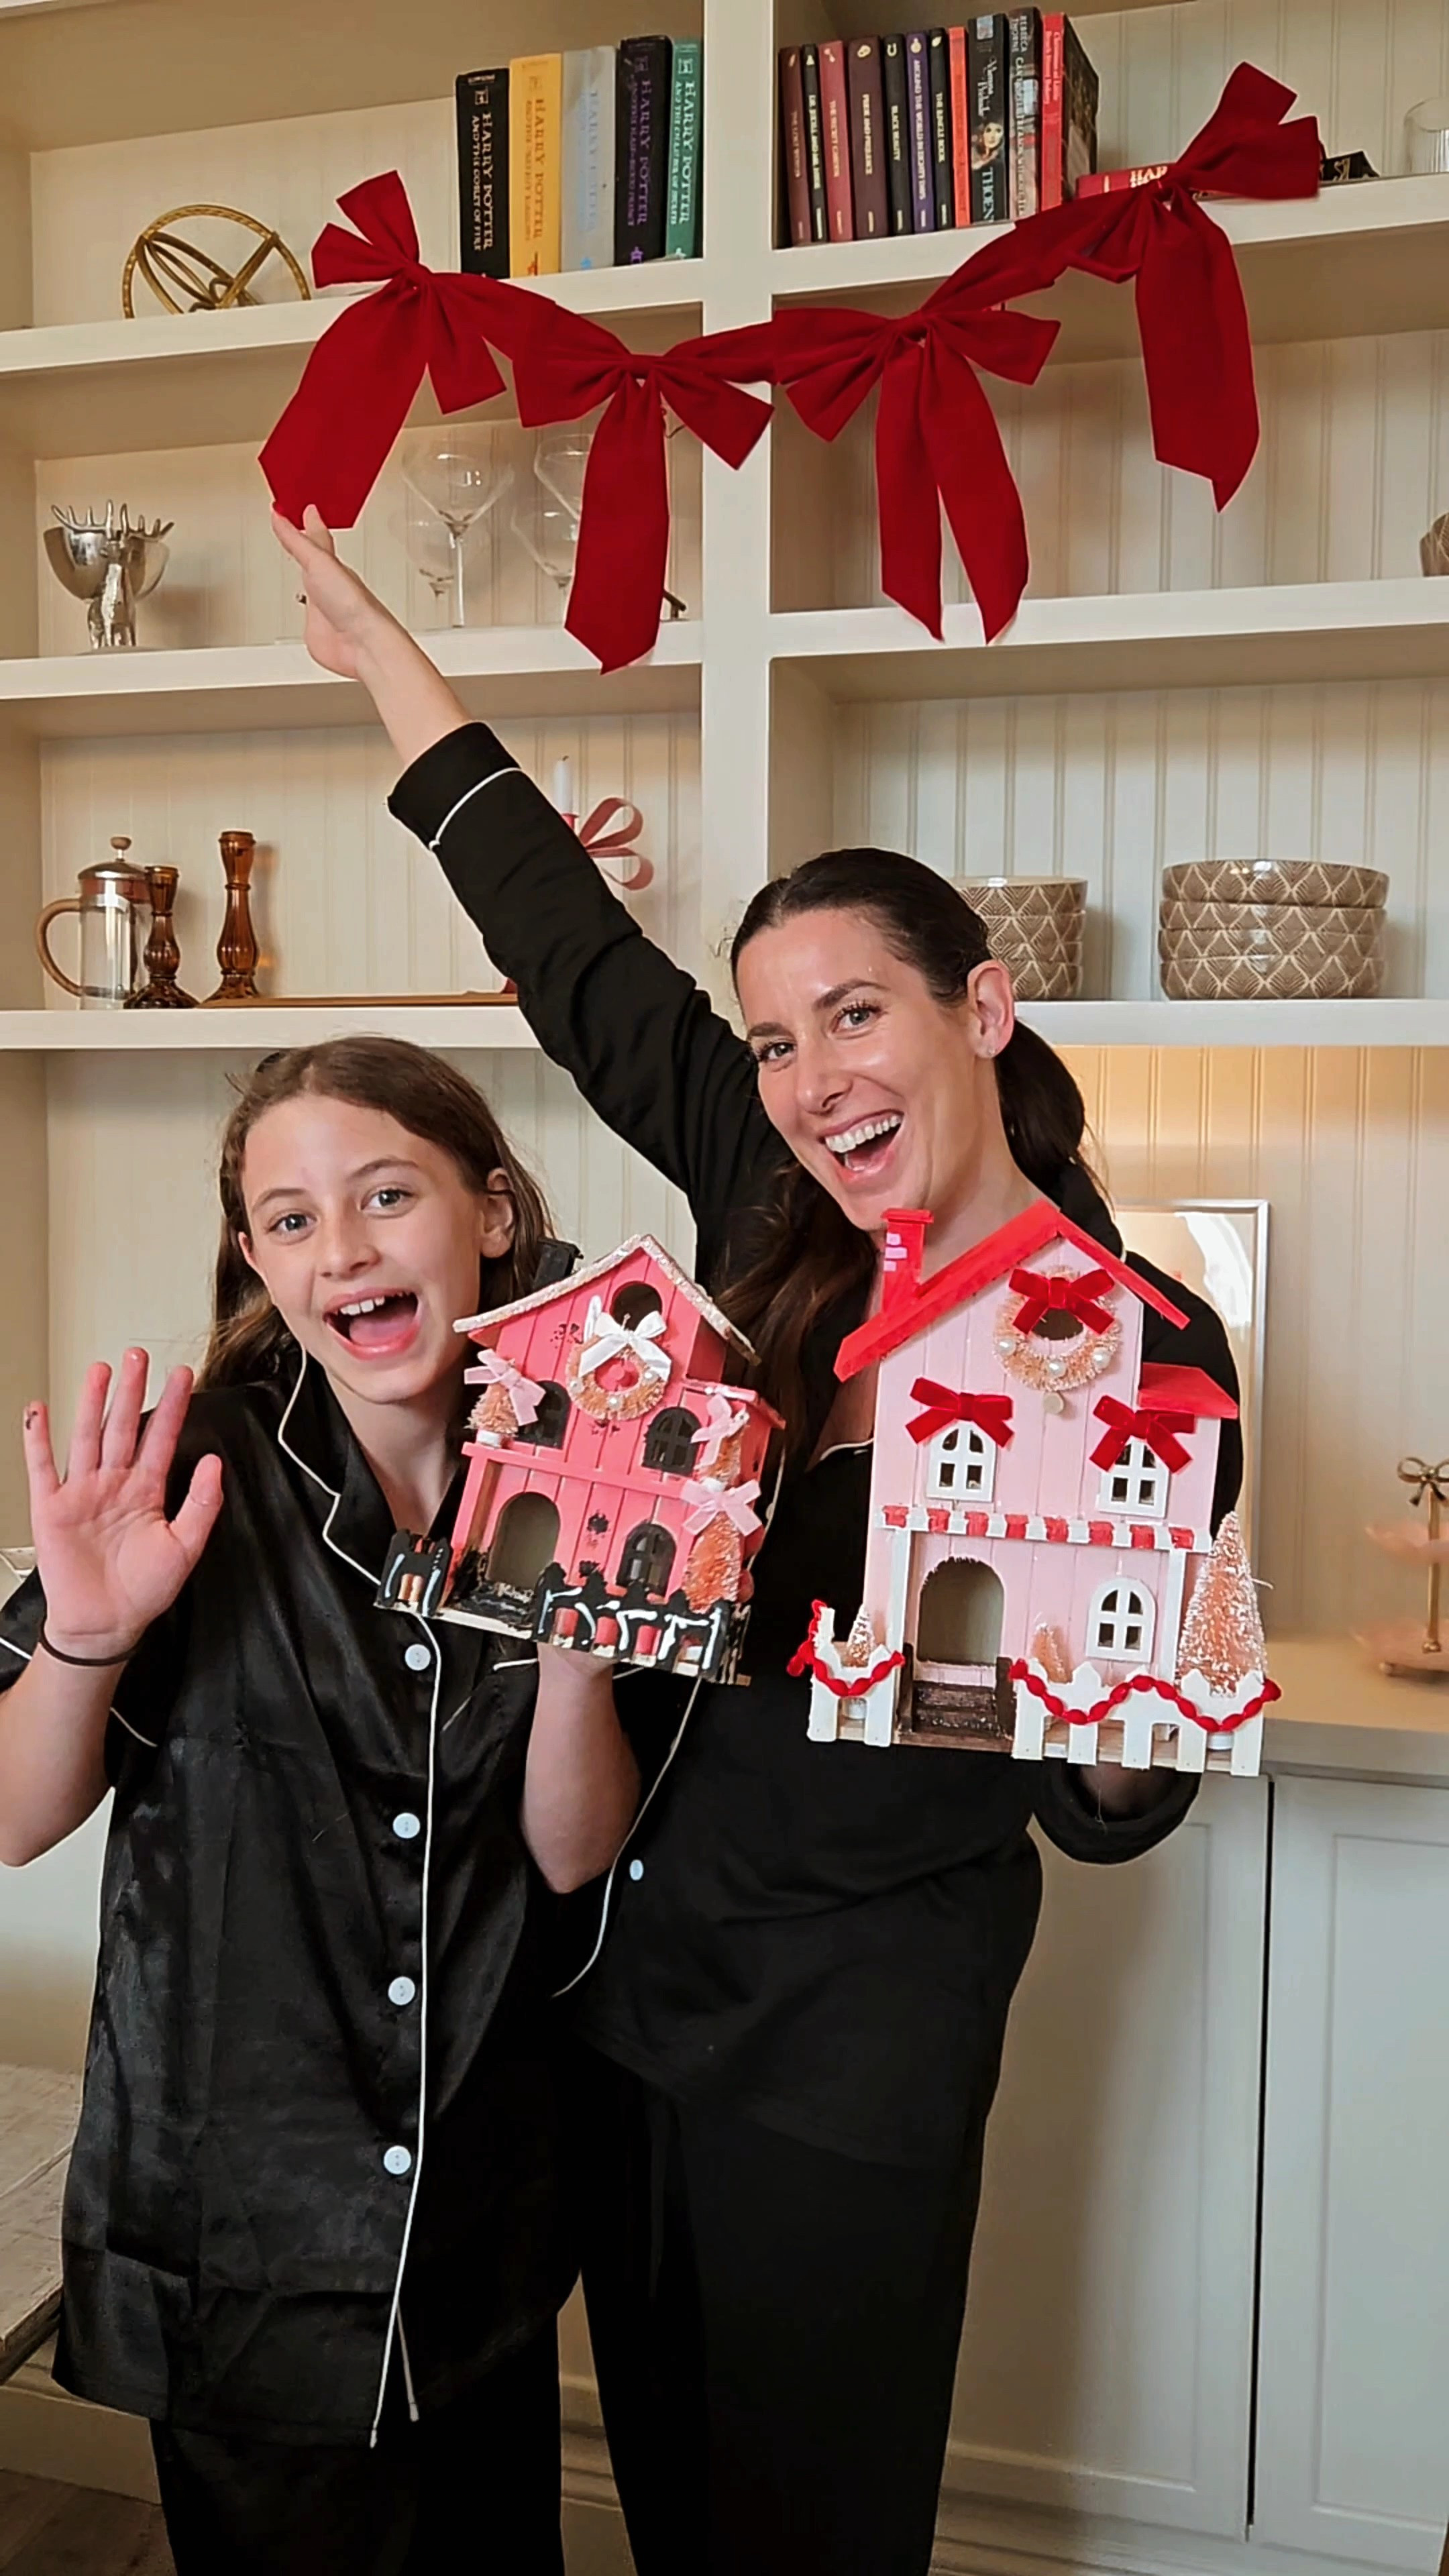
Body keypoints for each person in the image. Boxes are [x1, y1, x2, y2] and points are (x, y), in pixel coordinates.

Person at [275, 509, 1244, 2576]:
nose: (809, 1077)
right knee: (669, 2510)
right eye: (779, 1038)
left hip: (861, 2048)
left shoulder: (1139, 1348)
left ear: (982, 1011)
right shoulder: (774, 1217)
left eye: (856, 1016)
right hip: (629, 1993)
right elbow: (576, 963)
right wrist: (392, 676)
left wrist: (1150, 1691)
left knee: (815, 2529)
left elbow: (1102, 1809)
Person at [0, 1037, 639, 2576]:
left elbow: (573, 1852)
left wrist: (572, 1654)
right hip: (234, 2242)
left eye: (383, 1195)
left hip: (475, 2229)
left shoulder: (604, 1451)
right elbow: (12, 1819)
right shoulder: (195, 1473)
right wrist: (88, 1633)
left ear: (489, 1211)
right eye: (287, 1220)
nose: (340, 1249)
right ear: (255, 1260)